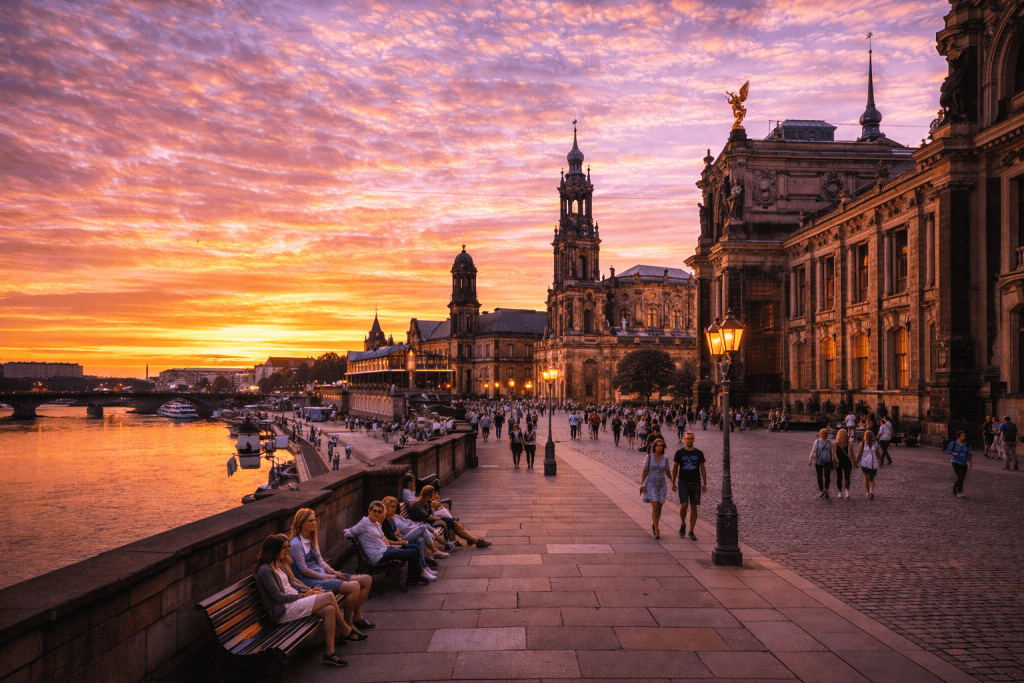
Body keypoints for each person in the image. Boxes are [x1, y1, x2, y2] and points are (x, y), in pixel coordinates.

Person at [253, 534, 351, 668]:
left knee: (329, 609)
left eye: (287, 547)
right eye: (283, 548)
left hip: (293, 603)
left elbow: (292, 585)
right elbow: (278, 597)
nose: (286, 551)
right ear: (273, 550)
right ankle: (345, 629)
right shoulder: (265, 571)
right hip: (283, 610)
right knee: (328, 596)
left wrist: (308, 591)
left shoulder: (278, 565)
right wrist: (303, 596)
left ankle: (330, 654)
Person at [289, 509, 374, 632]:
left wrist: (333, 572)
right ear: (301, 523)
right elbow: (304, 570)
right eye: (310, 520)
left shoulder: (311, 538)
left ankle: (357, 617)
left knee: (366, 580)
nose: (314, 523)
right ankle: (348, 624)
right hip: (310, 581)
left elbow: (321, 562)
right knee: (354, 587)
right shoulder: (296, 543)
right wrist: (326, 577)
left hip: (324, 575)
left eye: (314, 520)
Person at [345, 501, 427, 587]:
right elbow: (349, 534)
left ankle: (417, 575)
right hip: (378, 555)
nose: (376, 513)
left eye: (379, 511)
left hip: (385, 549)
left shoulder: (375, 523)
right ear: (369, 511)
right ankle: (412, 579)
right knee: (412, 552)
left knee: (415, 547)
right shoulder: (364, 523)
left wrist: (395, 544)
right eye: (374, 510)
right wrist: (348, 530)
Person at [407, 485, 491, 548]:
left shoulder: (426, 502)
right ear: (427, 495)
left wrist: (437, 513)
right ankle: (474, 540)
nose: (432, 498)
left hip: (432, 521)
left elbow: (431, 513)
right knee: (452, 522)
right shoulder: (417, 505)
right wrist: (439, 517)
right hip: (427, 524)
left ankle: (472, 540)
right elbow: (429, 517)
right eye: (431, 496)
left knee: (453, 522)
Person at [380, 497, 442, 580]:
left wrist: (397, 534)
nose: (393, 509)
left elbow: (396, 532)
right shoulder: (383, 520)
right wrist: (398, 538)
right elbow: (388, 536)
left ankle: (424, 569)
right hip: (396, 543)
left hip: (400, 538)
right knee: (422, 527)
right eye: (391, 507)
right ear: (385, 507)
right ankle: (434, 552)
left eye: (395, 507)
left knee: (421, 540)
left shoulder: (392, 518)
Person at [671, 431, 707, 541]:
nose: (690, 440)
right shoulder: (679, 453)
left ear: (694, 440)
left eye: (691, 438)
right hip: (683, 482)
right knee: (684, 506)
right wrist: (673, 482)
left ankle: (691, 531)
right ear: (684, 439)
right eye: (688, 438)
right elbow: (675, 467)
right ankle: (683, 523)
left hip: (696, 483)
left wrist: (705, 483)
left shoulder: (699, 453)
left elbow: (702, 468)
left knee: (694, 508)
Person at [639, 438, 670, 538]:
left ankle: (654, 523)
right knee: (655, 505)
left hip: (661, 484)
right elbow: (645, 470)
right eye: (658, 445)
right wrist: (641, 482)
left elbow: (667, 471)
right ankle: (656, 530)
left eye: (661, 445)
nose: (660, 447)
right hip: (651, 483)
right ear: (654, 446)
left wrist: (673, 482)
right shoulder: (649, 457)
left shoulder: (665, 458)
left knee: (659, 507)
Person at [808, 428, 834, 499]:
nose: (824, 435)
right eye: (822, 433)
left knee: (827, 476)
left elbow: (832, 452)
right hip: (819, 461)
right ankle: (822, 490)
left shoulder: (829, 442)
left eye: (825, 434)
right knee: (819, 476)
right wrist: (810, 458)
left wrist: (834, 461)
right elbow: (814, 451)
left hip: (828, 461)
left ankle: (826, 489)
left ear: (827, 435)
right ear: (820, 434)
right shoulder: (817, 442)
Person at [946, 431, 972, 498]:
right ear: (958, 436)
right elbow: (948, 451)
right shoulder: (953, 443)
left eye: (964, 435)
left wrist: (970, 462)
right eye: (962, 435)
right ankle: (959, 493)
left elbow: (969, 453)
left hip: (964, 462)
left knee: (962, 478)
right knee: (960, 477)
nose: (963, 437)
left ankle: (954, 486)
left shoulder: (966, 444)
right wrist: (953, 453)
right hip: (956, 462)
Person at [856, 430, 880, 499]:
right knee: (869, 479)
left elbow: (860, 454)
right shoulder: (865, 443)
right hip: (869, 463)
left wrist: (857, 462)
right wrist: (880, 460)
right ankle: (870, 491)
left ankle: (869, 492)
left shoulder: (873, 443)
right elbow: (877, 453)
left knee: (868, 478)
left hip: (868, 463)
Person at [833, 428, 853, 499]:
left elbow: (852, 454)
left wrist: (855, 462)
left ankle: (844, 492)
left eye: (844, 435)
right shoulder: (837, 444)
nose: (843, 436)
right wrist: (837, 461)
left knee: (843, 477)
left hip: (844, 462)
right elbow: (834, 453)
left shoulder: (848, 443)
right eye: (843, 435)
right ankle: (843, 492)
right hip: (843, 462)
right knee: (843, 477)